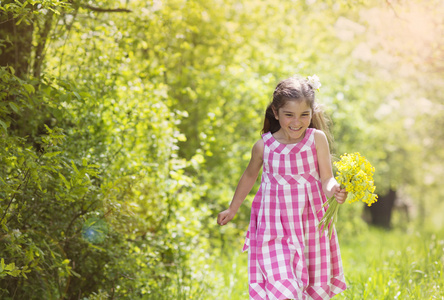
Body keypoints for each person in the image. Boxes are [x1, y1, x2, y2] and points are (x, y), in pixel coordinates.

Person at [217, 75, 347, 300]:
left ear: (312, 113)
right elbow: (249, 176)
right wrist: (232, 208)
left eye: (304, 115)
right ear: (276, 113)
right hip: (273, 227)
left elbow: (327, 178)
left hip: (310, 224)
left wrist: (335, 190)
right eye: (289, 115)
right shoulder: (263, 146)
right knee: (282, 288)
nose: (296, 122)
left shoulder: (316, 139)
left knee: (308, 287)